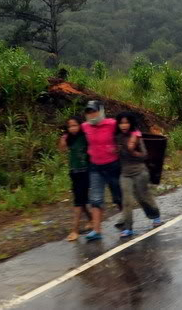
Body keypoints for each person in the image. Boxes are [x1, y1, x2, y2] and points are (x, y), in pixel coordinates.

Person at [115, 111, 162, 238]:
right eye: (121, 123)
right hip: (125, 174)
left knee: (143, 197)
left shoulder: (136, 136)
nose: (124, 125)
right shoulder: (117, 137)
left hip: (140, 172)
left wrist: (134, 152)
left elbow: (145, 155)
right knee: (126, 201)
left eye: (126, 123)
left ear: (131, 124)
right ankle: (128, 227)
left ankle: (155, 215)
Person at [82, 100, 122, 242]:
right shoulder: (85, 127)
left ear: (101, 110)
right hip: (95, 166)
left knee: (118, 195)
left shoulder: (111, 124)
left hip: (112, 165)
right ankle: (96, 230)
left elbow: (125, 133)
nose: (92, 114)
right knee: (96, 198)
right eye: (89, 112)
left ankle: (126, 221)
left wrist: (119, 147)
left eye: (94, 111)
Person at [58, 116, 93, 241]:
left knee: (78, 201)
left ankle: (75, 230)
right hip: (74, 172)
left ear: (80, 125)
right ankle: (91, 220)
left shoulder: (84, 137)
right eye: (70, 126)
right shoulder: (69, 138)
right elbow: (62, 149)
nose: (72, 128)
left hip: (85, 172)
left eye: (75, 125)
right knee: (80, 199)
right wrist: (63, 139)